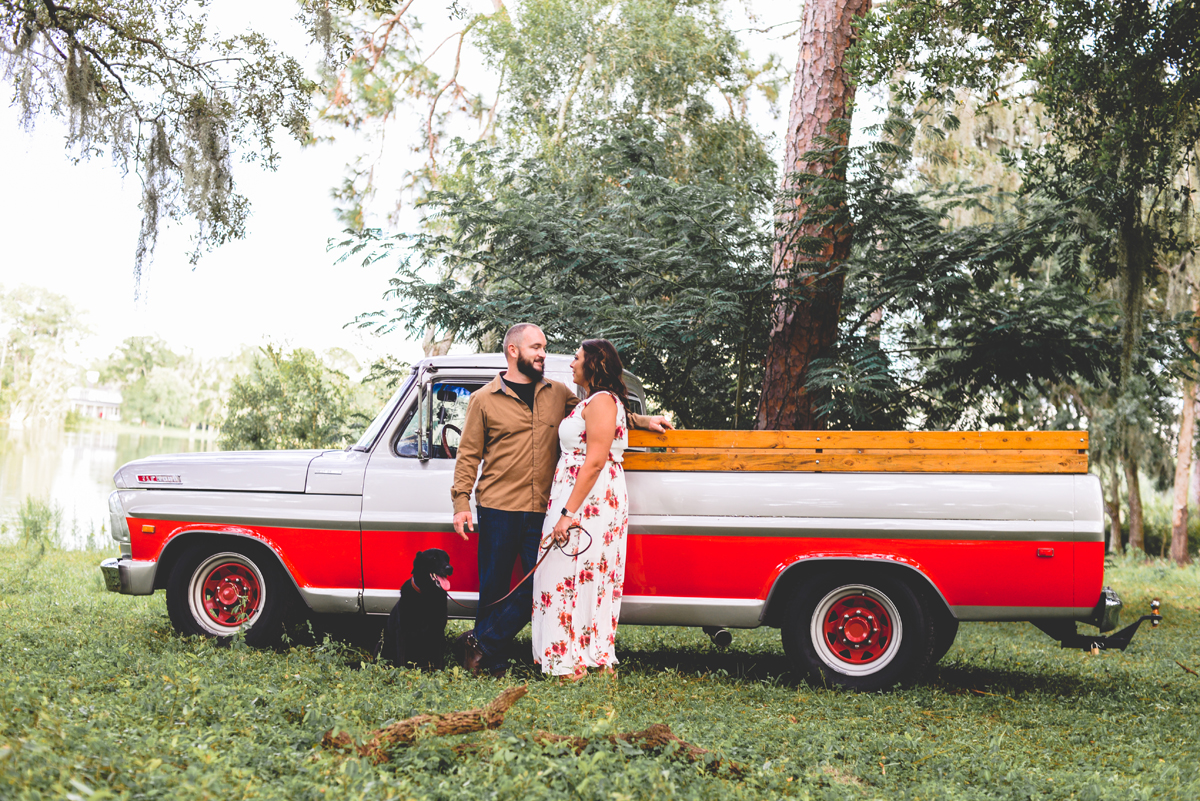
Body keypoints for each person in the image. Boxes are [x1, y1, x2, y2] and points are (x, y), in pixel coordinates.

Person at [451, 323, 671, 676]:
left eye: (544, 347)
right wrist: (461, 502)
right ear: (513, 351)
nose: (543, 354)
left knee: (538, 586)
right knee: (493, 587)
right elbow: (468, 456)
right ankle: (489, 662)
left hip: (544, 509)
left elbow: (600, 418)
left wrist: (642, 420)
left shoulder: (558, 393)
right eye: (536, 347)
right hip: (498, 506)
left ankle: (480, 642)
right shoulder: (483, 400)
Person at [532, 339, 630, 680]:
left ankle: (571, 662)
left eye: (576, 358)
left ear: (593, 365)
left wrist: (567, 513)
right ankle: (587, 656)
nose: (571, 363)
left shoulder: (602, 401)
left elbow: (595, 461)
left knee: (570, 576)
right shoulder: (595, 401)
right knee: (579, 577)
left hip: (586, 501)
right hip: (579, 496)